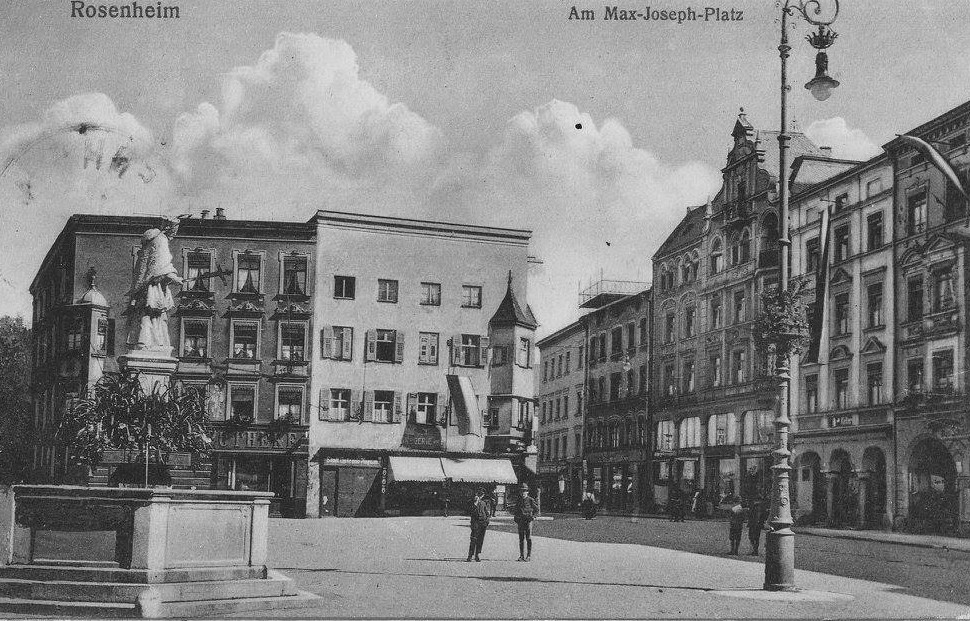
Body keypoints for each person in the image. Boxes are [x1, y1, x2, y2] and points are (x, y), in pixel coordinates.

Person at [512, 483, 540, 561]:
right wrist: (516, 518)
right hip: (521, 521)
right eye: (521, 491)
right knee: (521, 539)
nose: (523, 493)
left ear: (527, 492)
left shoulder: (530, 500)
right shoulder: (519, 500)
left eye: (524, 491)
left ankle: (528, 556)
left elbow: (537, 510)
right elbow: (516, 510)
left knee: (528, 538)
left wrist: (533, 517)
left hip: (528, 521)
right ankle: (521, 555)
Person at [466, 488, 491, 562]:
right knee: (473, 539)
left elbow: (487, 513)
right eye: (479, 494)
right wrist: (475, 503)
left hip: (483, 524)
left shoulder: (483, 503)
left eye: (482, 494)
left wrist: (487, 521)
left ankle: (477, 555)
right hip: (475, 523)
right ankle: (470, 555)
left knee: (480, 540)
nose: (480, 496)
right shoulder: (472, 502)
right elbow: (470, 511)